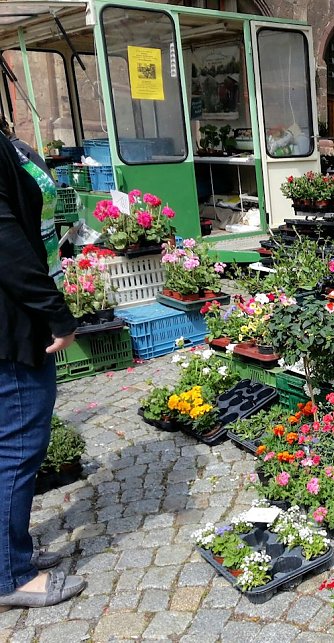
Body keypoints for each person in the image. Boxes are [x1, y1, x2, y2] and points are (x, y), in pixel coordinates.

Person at [0, 132, 85, 609]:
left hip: (14, 313)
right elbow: (5, 241)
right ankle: (10, 577)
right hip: (13, 322)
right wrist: (56, 312)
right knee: (16, 448)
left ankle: (8, 555)